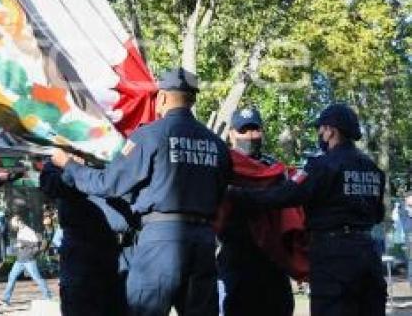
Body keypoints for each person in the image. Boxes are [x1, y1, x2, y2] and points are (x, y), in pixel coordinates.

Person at [52, 67, 231, 315]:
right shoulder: (217, 145)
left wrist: (69, 167)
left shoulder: (149, 136)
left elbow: (109, 184)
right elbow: (221, 191)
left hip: (160, 240)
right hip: (203, 240)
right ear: (192, 98)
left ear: (163, 98)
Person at [229, 103, 387, 316]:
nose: (320, 134)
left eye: (321, 129)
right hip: (368, 255)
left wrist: (237, 195)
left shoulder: (322, 166)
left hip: (334, 258)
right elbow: (378, 214)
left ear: (331, 130)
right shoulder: (373, 169)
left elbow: (285, 195)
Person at [218, 107, 294, 315]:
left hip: (271, 259)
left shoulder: (276, 169)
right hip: (236, 255)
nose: (250, 136)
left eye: (255, 130)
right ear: (232, 133)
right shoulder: (221, 164)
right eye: (244, 131)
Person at [40, 160, 129, 316]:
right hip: (80, 262)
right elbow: (50, 186)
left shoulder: (116, 153)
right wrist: (70, 164)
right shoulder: (63, 154)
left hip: (117, 258)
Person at [0, 215, 53, 306]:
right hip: (20, 260)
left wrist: (23, 244)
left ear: (19, 222)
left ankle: (48, 296)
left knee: (37, 278)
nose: (13, 225)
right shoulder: (19, 231)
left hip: (28, 260)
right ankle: (6, 299)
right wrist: (19, 247)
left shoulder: (28, 231)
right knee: (12, 276)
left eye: (14, 223)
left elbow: (36, 243)